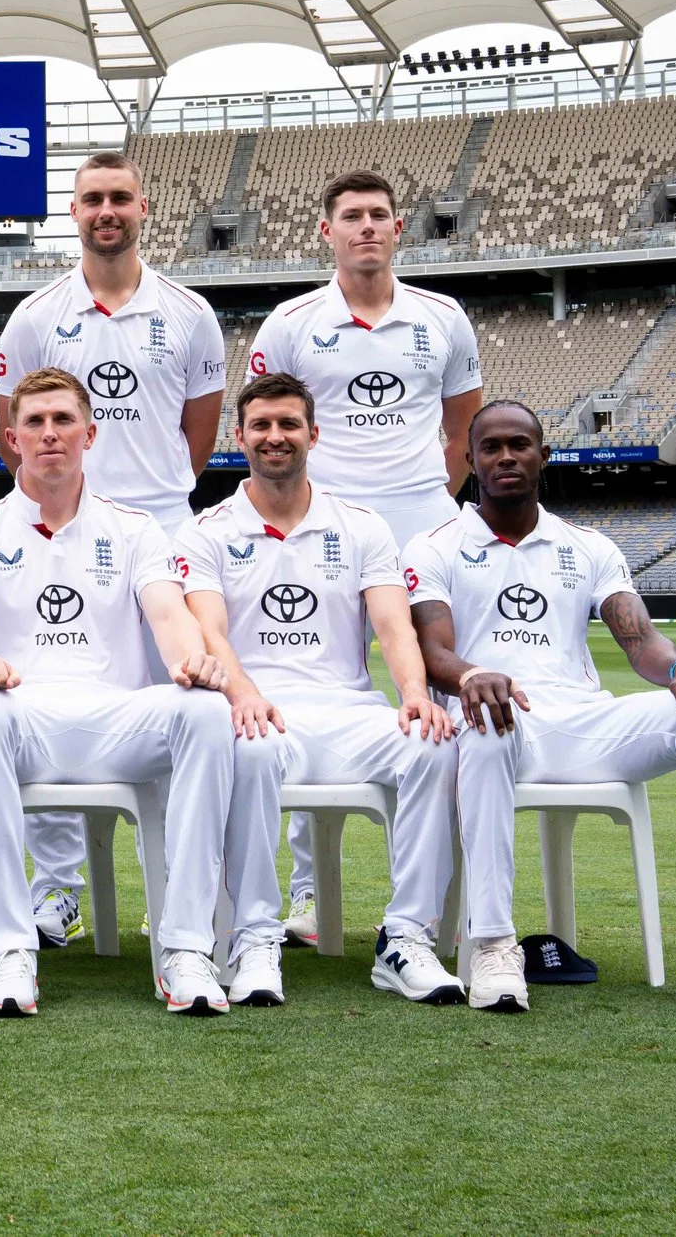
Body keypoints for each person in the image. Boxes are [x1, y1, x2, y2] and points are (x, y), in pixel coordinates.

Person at [405, 400, 676, 1015]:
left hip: (584, 721)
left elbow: (640, 643)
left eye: (520, 444)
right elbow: (432, 650)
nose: (507, 456)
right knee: (482, 720)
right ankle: (494, 944)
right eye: (491, 447)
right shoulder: (435, 546)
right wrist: (475, 674)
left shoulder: (587, 545)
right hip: (503, 727)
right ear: (472, 461)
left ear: (543, 456)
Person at [0, 367, 248, 1018]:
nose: (50, 433)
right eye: (34, 421)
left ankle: (186, 947)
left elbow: (169, 615)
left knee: (202, 709)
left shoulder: (136, 529)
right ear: (13, 442)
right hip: (23, 710)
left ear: (91, 432)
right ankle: (10, 952)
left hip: (117, 716)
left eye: (62, 420)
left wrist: (191, 662)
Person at [0, 147, 226, 950]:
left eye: (119, 198)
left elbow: (198, 431)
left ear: (144, 206)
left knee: (187, 707)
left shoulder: (190, 313)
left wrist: (150, 496)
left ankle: (188, 894)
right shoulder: (35, 316)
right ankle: (57, 892)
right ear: (75, 211)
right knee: (54, 687)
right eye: (93, 198)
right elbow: (11, 425)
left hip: (158, 527)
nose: (106, 211)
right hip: (59, 529)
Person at [249, 169, 481, 945]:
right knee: (314, 693)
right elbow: (270, 424)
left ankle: (447, 894)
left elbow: (461, 433)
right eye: (351, 216)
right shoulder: (290, 321)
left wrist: (418, 504)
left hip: (422, 518)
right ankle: (312, 896)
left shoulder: (444, 318)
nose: (367, 227)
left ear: (398, 226)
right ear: (328, 231)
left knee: (439, 703)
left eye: (379, 214)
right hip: (323, 529)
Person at [179, 373, 462, 1009]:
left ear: (314, 433)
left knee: (432, 744)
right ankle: (254, 937)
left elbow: (393, 626)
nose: (274, 437)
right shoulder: (206, 530)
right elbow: (209, 631)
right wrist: (244, 694)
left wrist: (414, 693)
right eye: (261, 426)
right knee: (246, 748)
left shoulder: (361, 526)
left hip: (349, 711)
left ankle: (407, 937)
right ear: (240, 437)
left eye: (287, 425)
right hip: (263, 712)